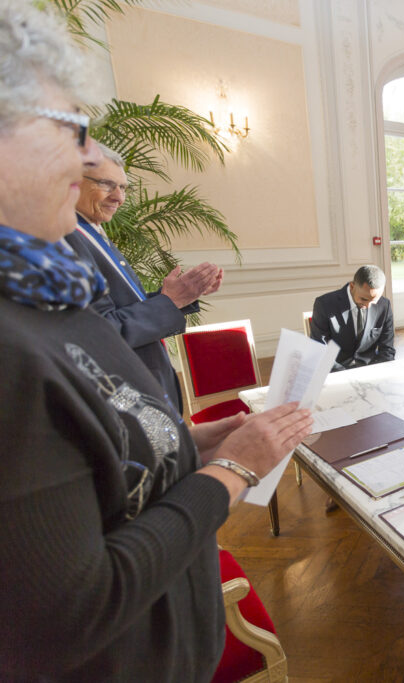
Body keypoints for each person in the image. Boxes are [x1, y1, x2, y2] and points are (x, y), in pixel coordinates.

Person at [0, 2, 312, 679]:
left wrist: (193, 442)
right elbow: (71, 612)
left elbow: (100, 455)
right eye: (71, 127)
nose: (86, 156)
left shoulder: (45, 289)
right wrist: (234, 471)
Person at [65, 143, 222, 412]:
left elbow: (121, 309)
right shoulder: (67, 237)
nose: (119, 197)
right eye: (107, 184)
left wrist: (181, 296)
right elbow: (98, 332)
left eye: (123, 187)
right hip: (123, 397)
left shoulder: (92, 233)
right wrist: (169, 302)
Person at [310, 264, 395, 370]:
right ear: (352, 286)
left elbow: (387, 350)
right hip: (336, 371)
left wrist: (378, 372)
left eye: (374, 301)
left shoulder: (384, 305)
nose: (368, 306)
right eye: (364, 299)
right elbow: (320, 349)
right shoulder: (324, 304)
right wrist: (345, 374)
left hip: (370, 370)